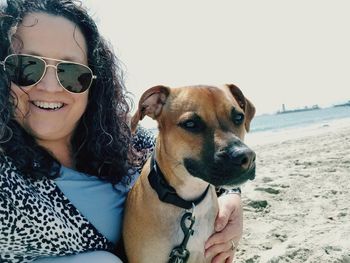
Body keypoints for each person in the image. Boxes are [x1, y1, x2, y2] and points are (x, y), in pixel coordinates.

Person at [0, 0, 243, 262]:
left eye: (71, 73)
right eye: (26, 67)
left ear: (95, 81)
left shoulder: (127, 138)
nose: (49, 86)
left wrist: (232, 198)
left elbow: (190, 160)